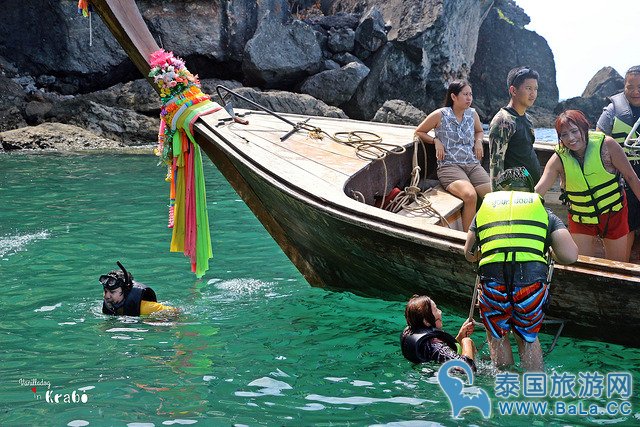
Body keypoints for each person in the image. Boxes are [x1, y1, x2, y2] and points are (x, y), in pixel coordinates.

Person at [464, 167, 578, 371]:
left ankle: (505, 384)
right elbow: (570, 256)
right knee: (527, 336)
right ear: (529, 190)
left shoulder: (485, 210)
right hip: (530, 284)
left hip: (493, 283)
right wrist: (549, 251)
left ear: (499, 190)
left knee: (497, 334)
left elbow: (469, 254)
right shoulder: (544, 213)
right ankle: (535, 389)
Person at [536, 110, 640, 262]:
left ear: (584, 128)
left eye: (574, 131)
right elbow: (539, 191)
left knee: (616, 265)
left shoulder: (608, 145)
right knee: (582, 264)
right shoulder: (558, 159)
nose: (571, 138)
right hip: (581, 217)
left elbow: (631, 178)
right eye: (564, 135)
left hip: (613, 213)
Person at [415, 79, 491, 231]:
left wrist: (478, 142)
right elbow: (419, 131)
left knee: (493, 196)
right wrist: (435, 140)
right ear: (454, 97)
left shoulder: (472, 114)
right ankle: (467, 240)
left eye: (470, 94)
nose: (469, 98)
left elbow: (479, 131)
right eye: (465, 94)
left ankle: (491, 233)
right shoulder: (440, 115)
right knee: (470, 196)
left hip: (472, 164)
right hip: (449, 166)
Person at [596, 65, 640, 258]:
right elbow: (597, 140)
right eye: (630, 87)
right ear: (624, 85)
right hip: (622, 182)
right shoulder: (613, 110)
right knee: (626, 226)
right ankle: (625, 271)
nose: (635, 91)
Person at [489, 66, 542, 190]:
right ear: (513, 90)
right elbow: (495, 164)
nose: (533, 93)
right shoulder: (503, 121)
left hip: (530, 187)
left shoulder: (528, 119)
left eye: (535, 89)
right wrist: (498, 198)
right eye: (528, 88)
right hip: (514, 192)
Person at [400, 294, 476, 369]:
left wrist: (461, 335)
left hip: (425, 373)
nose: (440, 312)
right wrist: (466, 342)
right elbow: (465, 367)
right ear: (426, 321)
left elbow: (444, 354)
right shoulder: (434, 345)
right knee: (467, 341)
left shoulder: (411, 333)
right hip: (448, 378)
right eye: (436, 309)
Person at [100, 261, 175, 316]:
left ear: (125, 291)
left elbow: (175, 312)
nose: (107, 296)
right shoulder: (111, 304)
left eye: (112, 292)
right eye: (106, 291)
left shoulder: (145, 307)